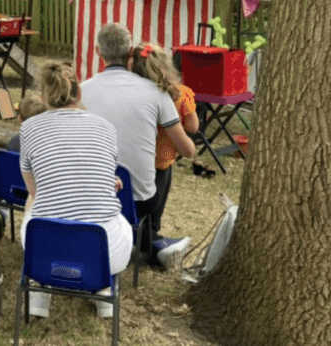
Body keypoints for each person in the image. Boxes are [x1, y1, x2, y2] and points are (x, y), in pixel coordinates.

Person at [18, 61, 132, 319]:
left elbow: (35, 191)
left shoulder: (29, 129)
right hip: (105, 252)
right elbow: (105, 174)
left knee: (34, 209)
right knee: (117, 220)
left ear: (44, 97)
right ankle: (103, 290)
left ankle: (39, 292)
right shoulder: (106, 128)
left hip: (45, 249)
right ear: (79, 94)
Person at [81, 23, 196, 267]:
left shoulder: (81, 92)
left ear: (98, 52)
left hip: (88, 193)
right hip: (137, 200)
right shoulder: (157, 93)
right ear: (130, 50)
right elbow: (186, 148)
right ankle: (150, 238)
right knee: (162, 167)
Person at [132, 44, 200, 242]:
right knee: (154, 208)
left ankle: (138, 236)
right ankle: (150, 240)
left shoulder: (134, 96)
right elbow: (193, 126)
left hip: (134, 161)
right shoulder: (181, 94)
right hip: (161, 161)